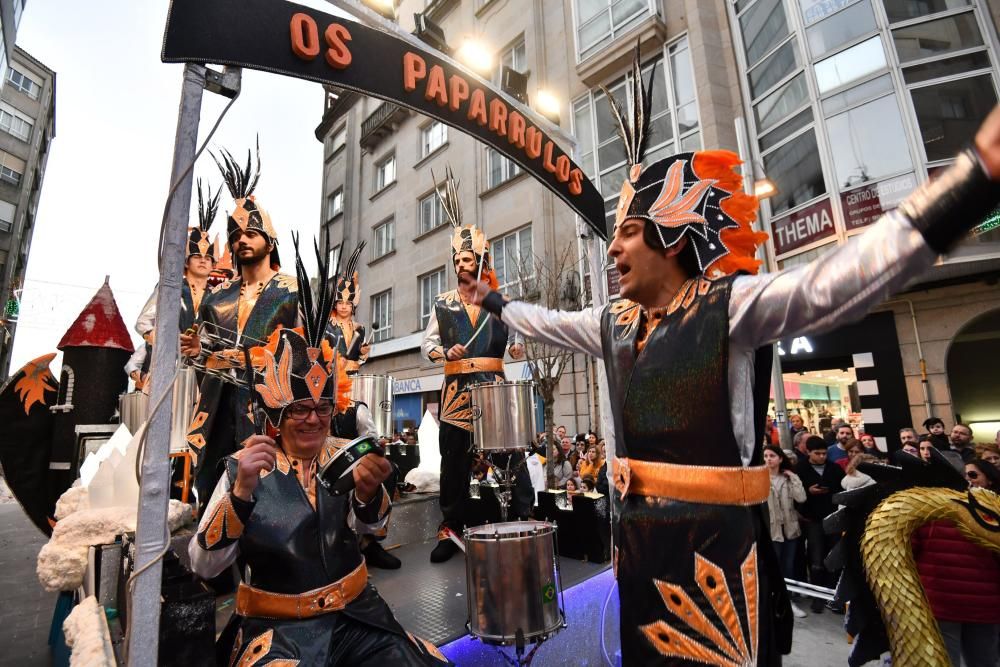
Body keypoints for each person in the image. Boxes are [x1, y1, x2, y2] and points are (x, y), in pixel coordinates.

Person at [462, 54, 1000, 660]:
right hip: (639, 555)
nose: (611, 248)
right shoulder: (613, 323)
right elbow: (550, 325)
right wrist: (495, 301)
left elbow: (836, 283)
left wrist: (970, 182)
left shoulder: (734, 305)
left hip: (720, 560)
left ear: (670, 236)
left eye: (626, 233)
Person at [188, 242, 448, 666]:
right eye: (299, 410)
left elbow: (373, 526)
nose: (313, 420)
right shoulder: (244, 465)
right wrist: (240, 494)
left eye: (322, 409)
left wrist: (369, 493)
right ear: (277, 413)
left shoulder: (342, 455)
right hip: (279, 632)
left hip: (358, 616)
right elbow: (204, 565)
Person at [182, 147, 300, 509]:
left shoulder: (292, 289)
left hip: (268, 408)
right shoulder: (217, 297)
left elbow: (308, 351)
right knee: (213, 488)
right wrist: (196, 353)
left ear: (269, 237)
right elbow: (200, 356)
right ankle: (214, 560)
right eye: (235, 235)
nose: (242, 240)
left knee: (267, 494)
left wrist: (254, 358)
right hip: (215, 409)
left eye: (251, 232)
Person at [420, 167, 522, 563]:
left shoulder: (500, 299)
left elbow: (520, 334)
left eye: (469, 257)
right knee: (453, 463)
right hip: (456, 392)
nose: (462, 263)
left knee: (507, 454)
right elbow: (427, 344)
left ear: (481, 259)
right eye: (457, 258)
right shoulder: (442, 303)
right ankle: (450, 529)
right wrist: (443, 353)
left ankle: (518, 517)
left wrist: (516, 349)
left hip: (494, 387)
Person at [132, 179, 222, 387]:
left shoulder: (219, 295)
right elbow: (143, 322)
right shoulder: (171, 288)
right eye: (197, 256)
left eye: (207, 258)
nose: (202, 260)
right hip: (168, 367)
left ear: (213, 263)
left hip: (204, 370)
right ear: (187, 261)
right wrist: (164, 344)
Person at [911, 510, 1000, 667]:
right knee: (984, 661)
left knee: (944, 661)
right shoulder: (991, 507)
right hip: (985, 605)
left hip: (940, 604)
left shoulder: (928, 508)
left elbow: (910, 551)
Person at [794, 437, 845, 613]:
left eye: (824, 453)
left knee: (833, 556)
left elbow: (842, 489)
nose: (822, 457)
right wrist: (808, 493)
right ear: (808, 452)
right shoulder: (800, 469)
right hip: (812, 520)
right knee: (816, 558)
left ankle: (833, 593)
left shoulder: (834, 468)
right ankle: (817, 595)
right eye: (817, 454)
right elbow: (795, 493)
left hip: (832, 518)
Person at [762, 445, 807, 619]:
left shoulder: (788, 477)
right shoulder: (760, 478)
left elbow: (801, 498)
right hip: (772, 530)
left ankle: (788, 601)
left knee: (788, 567)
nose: (768, 459)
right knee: (774, 566)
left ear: (780, 459)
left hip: (790, 529)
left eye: (772, 456)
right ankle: (775, 600)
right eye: (765, 456)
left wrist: (794, 478)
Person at [327, 241, 371, 376]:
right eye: (341, 303)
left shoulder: (359, 329)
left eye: (348, 304)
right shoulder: (328, 326)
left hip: (353, 378)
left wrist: (363, 354)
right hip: (332, 377)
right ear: (335, 305)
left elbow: (359, 359)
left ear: (353, 306)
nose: (344, 307)